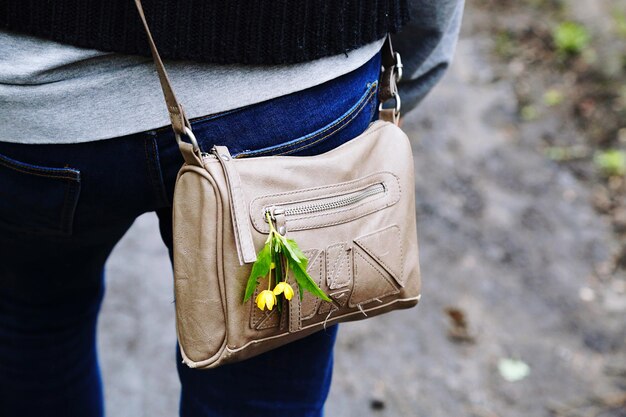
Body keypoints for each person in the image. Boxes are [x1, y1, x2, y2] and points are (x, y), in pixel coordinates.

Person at [0, 1, 464, 416]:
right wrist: (417, 45)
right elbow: (426, 37)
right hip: (299, 84)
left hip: (39, 103)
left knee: (37, 325)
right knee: (267, 391)